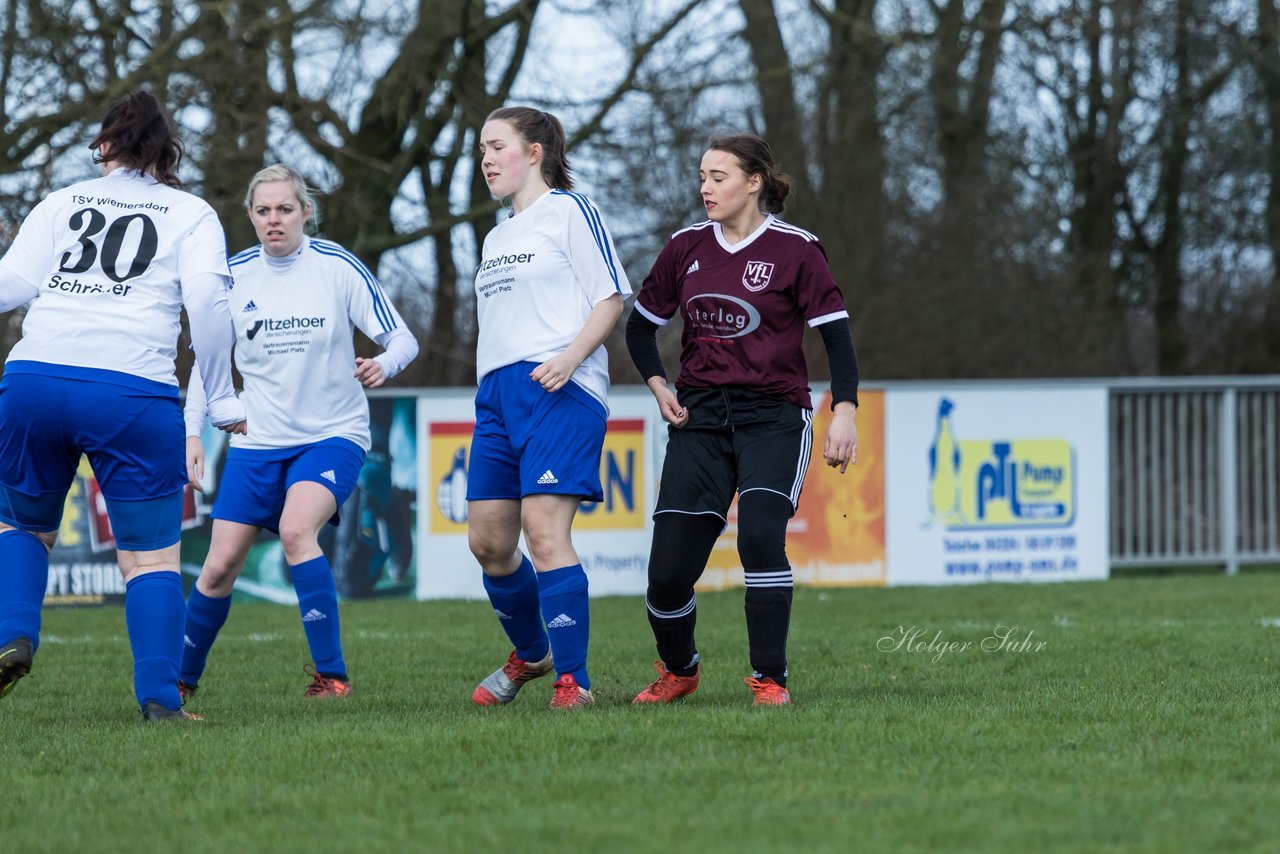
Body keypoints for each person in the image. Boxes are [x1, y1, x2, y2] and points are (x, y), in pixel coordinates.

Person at [0, 91, 244, 721]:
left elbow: (9, 288)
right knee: (151, 557)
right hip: (131, 391)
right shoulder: (191, 213)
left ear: (104, 145)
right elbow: (212, 314)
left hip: (35, 378)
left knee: (21, 526)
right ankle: (161, 701)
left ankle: (13, 635)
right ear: (167, 153)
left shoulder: (60, 201)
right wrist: (220, 394)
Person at [625, 132, 859, 706]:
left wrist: (843, 413)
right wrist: (660, 386)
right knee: (667, 575)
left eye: (719, 177)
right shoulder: (684, 248)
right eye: (702, 176)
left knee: (759, 538)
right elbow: (638, 327)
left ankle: (769, 679)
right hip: (699, 419)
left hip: (773, 416)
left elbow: (838, 342)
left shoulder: (798, 249)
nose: (705, 187)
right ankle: (680, 668)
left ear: (754, 182)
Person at [180, 165, 418, 700]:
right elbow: (208, 365)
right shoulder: (232, 276)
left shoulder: (337, 267)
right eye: (263, 210)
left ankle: (331, 677)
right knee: (217, 568)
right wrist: (192, 432)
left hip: (333, 434)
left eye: (285, 209)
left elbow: (402, 340)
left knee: (295, 530)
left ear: (305, 212)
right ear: (250, 216)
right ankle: (180, 683)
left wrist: (385, 364)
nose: (274, 219)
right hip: (257, 441)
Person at [468, 106, 630, 710]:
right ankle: (533, 653)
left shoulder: (571, 211)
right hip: (498, 397)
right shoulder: (496, 234)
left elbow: (611, 297)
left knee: (543, 529)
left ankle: (574, 682)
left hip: (561, 388)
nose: (486, 158)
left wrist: (568, 358)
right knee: (488, 543)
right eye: (481, 149)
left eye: (497, 146)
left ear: (535, 151)